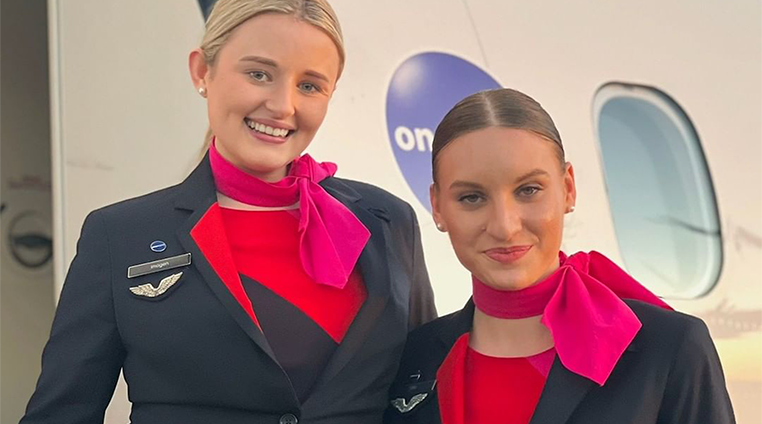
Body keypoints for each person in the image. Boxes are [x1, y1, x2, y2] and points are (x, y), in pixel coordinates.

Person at [21, 1, 436, 423]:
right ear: (203, 71)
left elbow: (421, 396)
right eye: (259, 74)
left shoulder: (387, 221)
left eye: (309, 86)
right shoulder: (119, 236)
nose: (282, 105)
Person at [384, 88, 734, 424]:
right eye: (472, 198)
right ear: (438, 207)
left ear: (568, 189)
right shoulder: (412, 357)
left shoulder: (669, 349)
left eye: (528, 190)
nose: (505, 226)